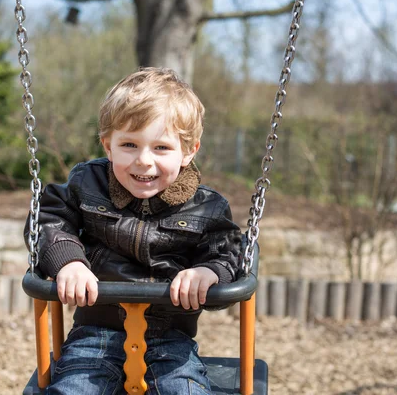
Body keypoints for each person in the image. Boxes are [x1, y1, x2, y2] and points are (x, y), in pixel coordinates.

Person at [25, 67, 242, 394]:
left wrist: (210, 272)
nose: (144, 161)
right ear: (107, 146)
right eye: (129, 144)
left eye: (161, 148)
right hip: (95, 335)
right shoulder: (88, 183)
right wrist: (68, 261)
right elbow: (47, 218)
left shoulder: (206, 207)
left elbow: (229, 251)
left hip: (171, 341)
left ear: (189, 151)